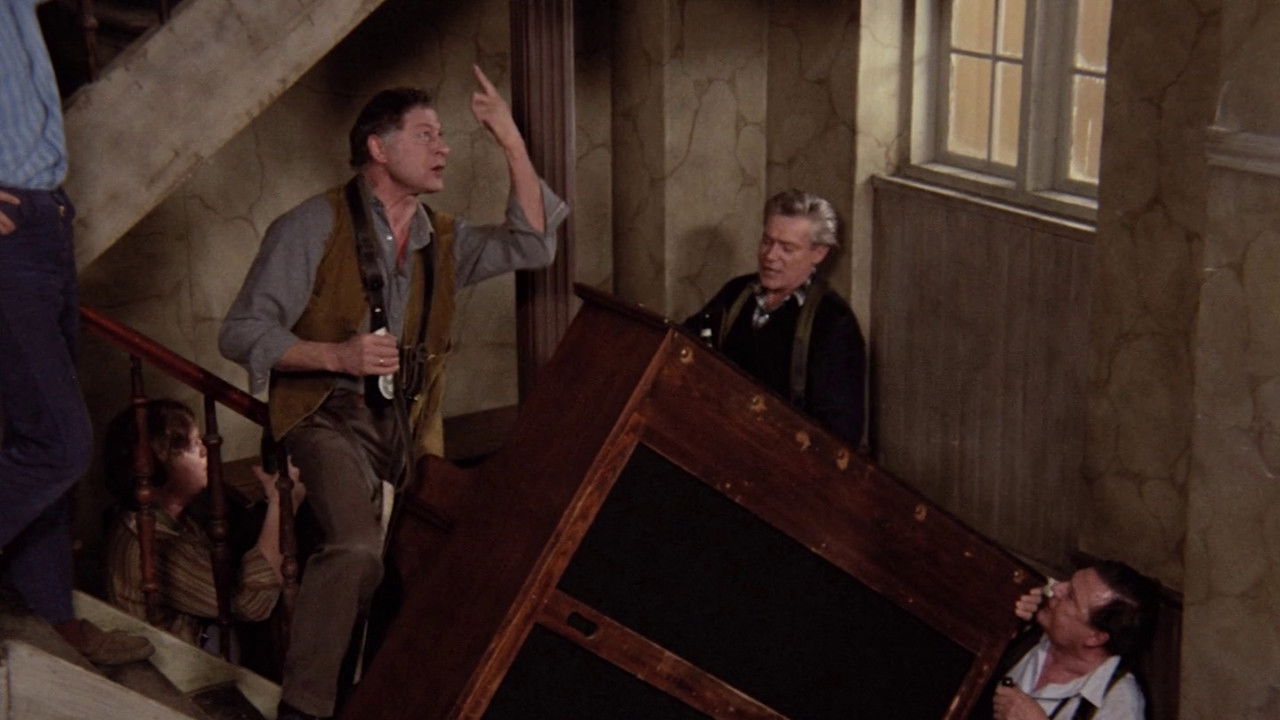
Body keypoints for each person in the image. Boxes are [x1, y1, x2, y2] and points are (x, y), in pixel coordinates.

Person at [219, 66, 568, 720]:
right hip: (325, 416)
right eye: (426, 135)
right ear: (378, 148)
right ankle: (303, 710)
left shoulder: (443, 239)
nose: (444, 148)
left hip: (406, 430)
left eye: (444, 136)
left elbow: (532, 243)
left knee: (417, 572)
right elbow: (240, 331)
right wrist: (335, 355)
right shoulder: (311, 225)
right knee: (355, 547)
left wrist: (512, 141)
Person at [0, 0, 153, 665]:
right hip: (9, 232)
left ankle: (51, 614)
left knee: (38, 431)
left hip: (45, 217)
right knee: (59, 444)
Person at [102, 399, 303, 649]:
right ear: (158, 462)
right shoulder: (148, 544)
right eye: (193, 444)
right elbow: (251, 604)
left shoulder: (167, 517)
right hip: (173, 666)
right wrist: (282, 501)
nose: (205, 451)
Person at [685, 189, 866, 446]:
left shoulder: (833, 322)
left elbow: (837, 434)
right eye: (766, 242)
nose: (770, 256)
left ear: (819, 253)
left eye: (787, 248)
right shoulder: (736, 293)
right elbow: (683, 346)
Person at [984, 560, 1159, 720]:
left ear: (1095, 637)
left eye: (1070, 596)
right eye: (1068, 581)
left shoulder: (1120, 705)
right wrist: (1002, 611)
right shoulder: (1031, 627)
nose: (1057, 588)